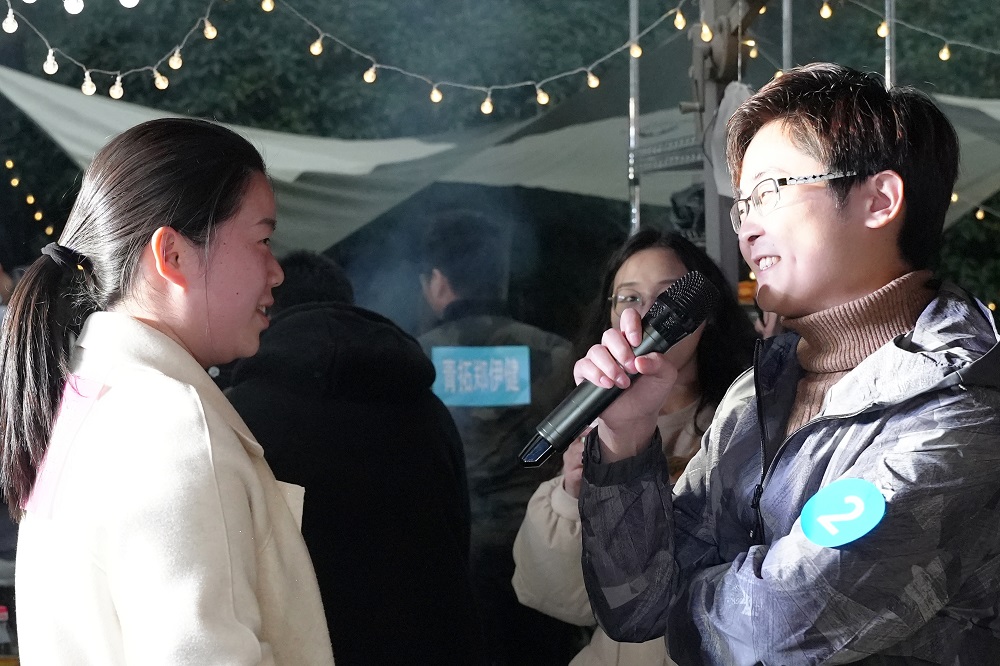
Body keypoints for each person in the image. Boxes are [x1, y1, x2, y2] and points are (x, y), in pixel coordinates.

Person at [573, 62, 1000, 664]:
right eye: (742, 203)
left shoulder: (962, 406)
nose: (747, 227)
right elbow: (635, 607)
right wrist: (625, 437)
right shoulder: (757, 392)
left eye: (770, 191)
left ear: (879, 200)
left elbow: (774, 629)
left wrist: (691, 597)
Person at [0, 118, 334, 665]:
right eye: (262, 240)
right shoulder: (172, 424)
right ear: (173, 255)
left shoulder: (93, 397)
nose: (276, 272)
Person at [226, 250, 484, 665]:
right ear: (347, 303)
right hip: (430, 645)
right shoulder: (429, 410)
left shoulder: (239, 417)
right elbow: (458, 537)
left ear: (268, 309)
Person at [512, 229, 756, 665]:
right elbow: (557, 598)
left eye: (667, 297)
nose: (646, 314)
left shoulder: (747, 418)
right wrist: (573, 494)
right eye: (629, 298)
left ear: (705, 313)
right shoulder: (595, 422)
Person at [417, 210, 586, 664]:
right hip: (539, 554)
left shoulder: (413, 362)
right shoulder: (556, 356)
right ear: (500, 275)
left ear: (438, 281)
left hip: (450, 557)